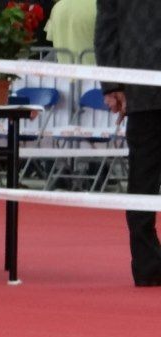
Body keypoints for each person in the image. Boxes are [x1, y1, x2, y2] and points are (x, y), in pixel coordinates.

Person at [95, 0, 161, 287]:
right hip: (141, 87)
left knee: (141, 181)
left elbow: (106, 28)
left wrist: (113, 85)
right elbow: (107, 26)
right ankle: (147, 264)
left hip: (140, 87)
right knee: (141, 183)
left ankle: (147, 265)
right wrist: (113, 84)